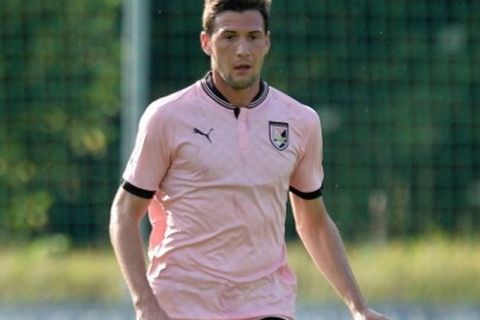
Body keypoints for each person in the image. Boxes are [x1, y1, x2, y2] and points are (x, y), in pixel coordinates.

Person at [109, 0, 392, 319]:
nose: (242, 49)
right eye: (229, 37)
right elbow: (124, 213)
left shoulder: (299, 121)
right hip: (182, 305)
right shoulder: (167, 116)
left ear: (267, 42)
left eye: (253, 37)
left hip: (267, 305)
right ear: (206, 42)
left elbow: (313, 223)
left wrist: (358, 306)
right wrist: (145, 303)